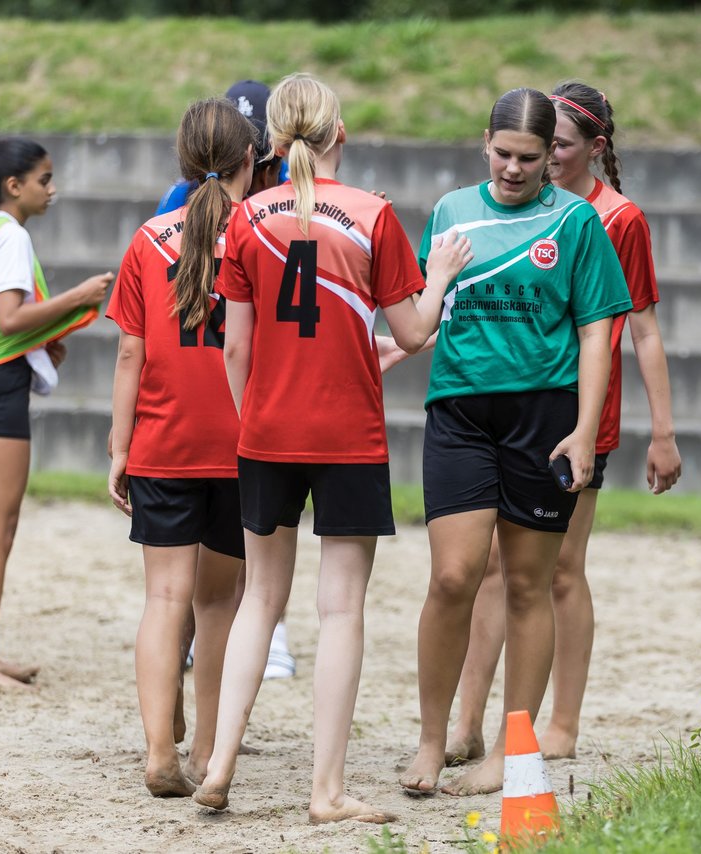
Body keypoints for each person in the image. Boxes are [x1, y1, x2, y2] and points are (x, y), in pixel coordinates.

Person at [191, 72, 471, 823]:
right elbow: (414, 333)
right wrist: (439, 276)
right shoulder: (373, 214)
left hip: (269, 433)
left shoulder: (247, 218)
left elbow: (236, 347)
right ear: (339, 135)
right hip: (347, 434)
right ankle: (326, 792)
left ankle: (218, 766)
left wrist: (254, 423)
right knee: (340, 609)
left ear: (273, 145)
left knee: (260, 599)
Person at [398, 87, 632, 797]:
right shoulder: (449, 211)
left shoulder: (578, 221)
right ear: (485, 143)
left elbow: (598, 332)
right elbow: (420, 314)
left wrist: (585, 431)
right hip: (461, 414)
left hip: (544, 417)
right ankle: (433, 741)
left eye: (529, 158)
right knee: (453, 578)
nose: (514, 169)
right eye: (503, 154)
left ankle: (512, 749)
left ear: (548, 157)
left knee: (530, 584)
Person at [441, 82, 683, 765]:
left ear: (588, 149)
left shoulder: (614, 220)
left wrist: (662, 432)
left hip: (580, 421)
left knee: (560, 573)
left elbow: (642, 328)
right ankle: (467, 721)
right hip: (511, 410)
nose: (540, 164)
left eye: (559, 150)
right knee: (490, 566)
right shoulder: (513, 210)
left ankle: (563, 726)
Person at [107, 98, 259, 796]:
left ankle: (155, 752)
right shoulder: (263, 234)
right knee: (220, 604)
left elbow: (130, 353)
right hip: (241, 443)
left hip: (163, 442)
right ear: (249, 162)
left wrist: (119, 447)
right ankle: (205, 751)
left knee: (163, 598)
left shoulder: (147, 239)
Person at [0, 138, 111, 691]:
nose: (53, 188)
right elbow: (12, 319)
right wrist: (79, 296)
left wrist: (48, 335)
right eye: (44, 178)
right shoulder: (10, 235)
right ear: (14, 186)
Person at [156, 79, 296, 684]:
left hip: (243, 386)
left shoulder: (292, 191)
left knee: (242, 550)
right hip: (222, 387)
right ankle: (197, 657)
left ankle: (268, 627)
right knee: (203, 573)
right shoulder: (183, 203)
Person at [156, 81, 287, 218]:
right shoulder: (188, 186)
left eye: (256, 134)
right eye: (235, 133)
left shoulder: (288, 178)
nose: (244, 140)